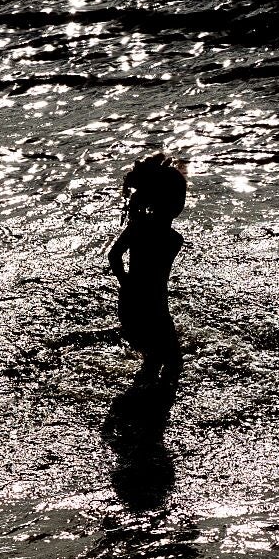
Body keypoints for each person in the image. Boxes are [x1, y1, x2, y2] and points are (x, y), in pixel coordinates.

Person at [107, 151, 185, 385]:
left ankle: (142, 409)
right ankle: (148, 412)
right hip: (151, 307)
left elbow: (114, 255)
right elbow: (114, 255)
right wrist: (129, 285)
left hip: (137, 303)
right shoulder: (169, 237)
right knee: (171, 362)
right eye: (180, 197)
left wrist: (127, 284)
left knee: (156, 361)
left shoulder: (141, 228)